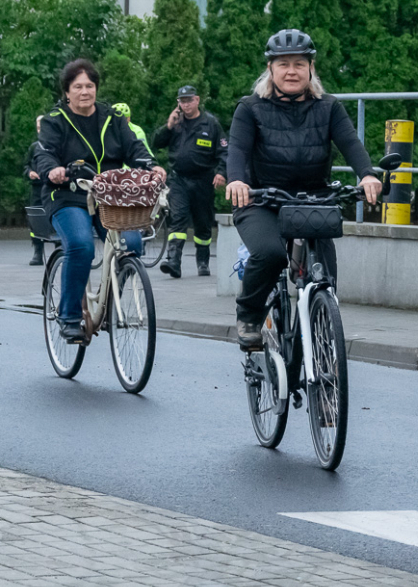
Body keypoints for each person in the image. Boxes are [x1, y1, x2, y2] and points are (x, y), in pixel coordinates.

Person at [225, 29, 381, 350]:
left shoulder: (328, 108)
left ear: (311, 68)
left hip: (314, 201)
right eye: (283, 64)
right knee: (269, 255)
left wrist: (366, 174)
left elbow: (350, 143)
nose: (291, 71)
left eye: (299, 63)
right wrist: (237, 180)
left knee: (324, 280)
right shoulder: (250, 109)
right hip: (261, 201)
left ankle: (321, 349)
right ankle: (250, 315)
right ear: (270, 69)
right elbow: (237, 151)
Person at [35, 59, 166, 343]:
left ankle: (110, 297)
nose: (85, 91)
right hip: (68, 194)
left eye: (90, 85)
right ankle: (69, 315)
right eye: (78, 86)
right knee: (81, 246)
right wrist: (52, 170)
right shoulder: (55, 121)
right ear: (67, 92)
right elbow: (43, 152)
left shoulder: (112, 118)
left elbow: (134, 147)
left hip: (109, 196)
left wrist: (150, 165)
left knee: (131, 244)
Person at [151, 85, 227, 279]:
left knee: (203, 223)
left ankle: (203, 261)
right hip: (179, 179)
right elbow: (156, 142)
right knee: (178, 218)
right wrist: (168, 126)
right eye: (182, 101)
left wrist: (221, 172)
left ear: (197, 100)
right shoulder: (176, 123)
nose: (186, 104)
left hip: (203, 180)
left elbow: (224, 151)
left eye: (189, 100)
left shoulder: (210, 124)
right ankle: (173, 261)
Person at [24, 115, 47, 266]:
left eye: (43, 127)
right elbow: (25, 166)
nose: (40, 131)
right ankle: (38, 251)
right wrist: (29, 172)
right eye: (38, 128)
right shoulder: (34, 147)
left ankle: (61, 249)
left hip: (52, 189)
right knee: (36, 219)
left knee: (55, 217)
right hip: (37, 189)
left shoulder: (56, 145)